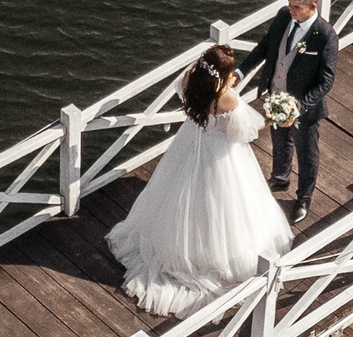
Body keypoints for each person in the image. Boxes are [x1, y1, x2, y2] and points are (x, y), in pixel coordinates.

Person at [106, 46, 294, 317]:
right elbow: (242, 132)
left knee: (178, 195)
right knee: (222, 207)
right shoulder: (225, 98)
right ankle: (208, 260)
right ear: (224, 73)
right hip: (219, 155)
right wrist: (274, 118)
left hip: (191, 140)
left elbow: (187, 94)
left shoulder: (189, 78)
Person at [246, 0, 336, 224]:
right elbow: (265, 47)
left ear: (312, 7)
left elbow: (326, 81)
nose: (291, 9)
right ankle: (280, 178)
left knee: (307, 154)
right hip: (276, 96)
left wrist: (299, 108)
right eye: (290, 3)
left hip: (303, 110)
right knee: (280, 142)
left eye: (297, 6)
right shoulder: (284, 16)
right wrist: (241, 71)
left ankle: (304, 197)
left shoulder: (325, 35)